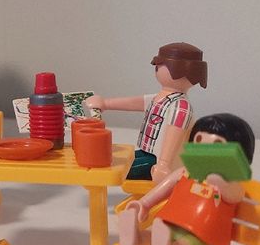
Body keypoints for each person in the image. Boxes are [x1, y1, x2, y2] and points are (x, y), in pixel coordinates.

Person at [118, 113, 255, 245]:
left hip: (206, 239)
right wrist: (144, 203)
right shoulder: (187, 172)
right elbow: (166, 186)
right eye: (199, 140)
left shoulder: (231, 182)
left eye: (217, 144)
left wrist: (220, 182)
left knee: (187, 243)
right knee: (159, 233)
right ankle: (136, 240)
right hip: (173, 226)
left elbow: (235, 195)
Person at [85, 42, 207, 182]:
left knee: (117, 169)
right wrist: (105, 103)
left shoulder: (181, 107)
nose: (157, 68)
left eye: (161, 65)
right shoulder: (160, 98)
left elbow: (175, 134)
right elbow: (136, 102)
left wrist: (164, 164)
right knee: (111, 160)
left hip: (159, 162)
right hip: (149, 153)